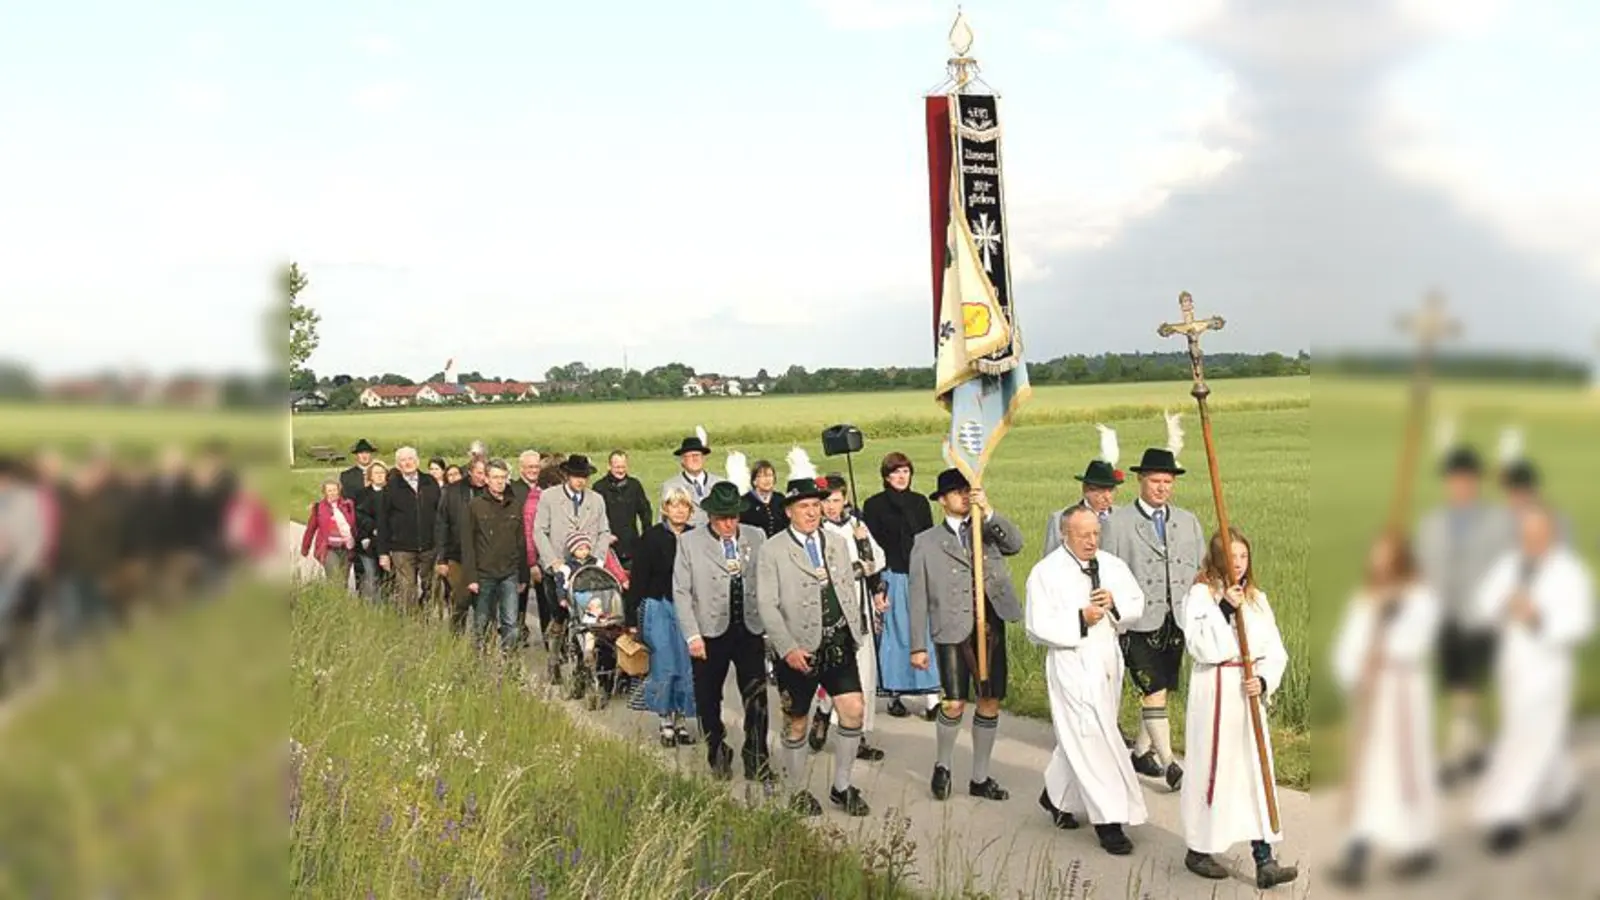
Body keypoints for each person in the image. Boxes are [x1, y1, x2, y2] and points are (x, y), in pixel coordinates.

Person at [1468, 504, 1593, 855]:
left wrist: (1539, 617)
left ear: (1552, 534)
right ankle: (1559, 794)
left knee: (1525, 738)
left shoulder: (1571, 573)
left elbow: (1581, 624)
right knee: (1536, 734)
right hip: (1512, 668)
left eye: (1539, 534)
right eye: (1526, 535)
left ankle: (1504, 816)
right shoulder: (1509, 566)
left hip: (1548, 670)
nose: (1532, 541)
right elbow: (1482, 604)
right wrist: (1503, 604)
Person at [1177, 527, 1297, 889]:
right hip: (1216, 691)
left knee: (1255, 771)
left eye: (1244, 556)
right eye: (1232, 557)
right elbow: (1200, 646)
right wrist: (1225, 608)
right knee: (1214, 769)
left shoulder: (1257, 599)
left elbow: (1274, 649)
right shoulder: (1200, 595)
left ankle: (1265, 859)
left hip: (1248, 694)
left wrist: (1263, 680)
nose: (1239, 564)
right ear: (1217, 559)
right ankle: (1199, 848)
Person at [1028, 505, 1147, 855]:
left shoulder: (1112, 565)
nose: (1091, 541)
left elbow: (1136, 603)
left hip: (1107, 658)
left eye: (1096, 533)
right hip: (1072, 660)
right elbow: (1036, 625)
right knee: (1092, 736)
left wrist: (1114, 602)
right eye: (1083, 535)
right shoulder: (1046, 573)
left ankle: (1056, 795)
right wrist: (1080, 618)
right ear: (1065, 534)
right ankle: (1109, 821)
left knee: (1086, 732)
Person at [757, 460, 872, 817]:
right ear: (789, 511)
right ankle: (796, 789)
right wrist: (787, 648)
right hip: (798, 649)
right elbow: (767, 604)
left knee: (853, 710)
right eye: (804, 506)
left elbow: (847, 586)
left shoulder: (835, 542)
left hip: (837, 642)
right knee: (797, 722)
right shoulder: (773, 550)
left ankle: (842, 786)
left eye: (816, 505)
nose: (811, 512)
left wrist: (854, 629)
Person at [1328, 533, 1441, 888]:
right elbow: (1346, 649)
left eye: (1387, 561)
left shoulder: (1419, 598)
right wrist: (1356, 671)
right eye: (1375, 561)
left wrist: (1393, 623)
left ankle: (1416, 845)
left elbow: (1417, 640)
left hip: (1403, 695)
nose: (1379, 568)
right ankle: (1356, 856)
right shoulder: (1364, 602)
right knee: (1368, 773)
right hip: (1371, 696)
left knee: (1406, 771)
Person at [907, 467, 1024, 802]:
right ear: (942, 500)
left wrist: (988, 510)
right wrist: (917, 646)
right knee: (955, 701)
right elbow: (918, 597)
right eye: (956, 492)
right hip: (951, 628)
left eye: (967, 490)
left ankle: (980, 776)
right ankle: (943, 764)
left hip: (990, 624)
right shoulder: (926, 542)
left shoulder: (986, 529)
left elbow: (1016, 544)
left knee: (989, 699)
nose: (963, 496)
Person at [1101, 415, 1204, 789]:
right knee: (1153, 689)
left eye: (1167, 482)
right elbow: (1105, 571)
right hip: (1136, 621)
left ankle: (1141, 752)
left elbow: (1200, 570)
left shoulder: (1188, 521)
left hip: (1176, 618)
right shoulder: (1117, 522)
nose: (1162, 488)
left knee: (1162, 688)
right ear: (1140, 480)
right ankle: (1171, 764)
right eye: (1155, 481)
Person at [1416, 443, 1513, 786]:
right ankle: (1474, 749)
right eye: (1455, 480)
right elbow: (1424, 568)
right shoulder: (1432, 524)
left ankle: (1458, 752)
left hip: (1482, 618)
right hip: (1445, 616)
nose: (1460, 486)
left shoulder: (1497, 522)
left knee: (1468, 685)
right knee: (1456, 686)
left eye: (1466, 479)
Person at [674, 481, 772, 783]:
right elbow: (681, 592)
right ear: (710, 516)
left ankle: (757, 756)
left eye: (734, 517)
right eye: (722, 518)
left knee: (757, 697)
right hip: (709, 632)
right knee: (708, 698)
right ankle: (717, 750)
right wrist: (692, 635)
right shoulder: (689, 542)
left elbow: (768, 582)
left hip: (749, 629)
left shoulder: (756, 536)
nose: (729, 524)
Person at [809, 475, 889, 761]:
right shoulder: (817, 532)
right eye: (826, 501)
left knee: (863, 673)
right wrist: (855, 567)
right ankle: (823, 711)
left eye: (836, 500)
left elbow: (877, 561)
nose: (831, 507)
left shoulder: (856, 525)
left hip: (860, 607)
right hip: (832, 609)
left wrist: (864, 542)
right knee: (834, 668)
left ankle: (858, 735)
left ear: (845, 500)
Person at [861, 451, 941, 720]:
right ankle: (895, 694)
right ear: (886, 476)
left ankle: (932, 697)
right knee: (895, 635)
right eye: (895, 472)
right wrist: (877, 586)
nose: (901, 477)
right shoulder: (874, 505)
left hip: (919, 576)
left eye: (905, 471)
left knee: (924, 633)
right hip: (892, 576)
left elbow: (928, 540)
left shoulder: (920, 503)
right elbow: (871, 550)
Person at [625, 488, 698, 746]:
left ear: (690, 510)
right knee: (664, 663)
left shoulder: (696, 537)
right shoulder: (652, 537)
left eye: (684, 506)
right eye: (674, 505)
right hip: (658, 605)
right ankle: (665, 720)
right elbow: (638, 578)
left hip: (689, 608)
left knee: (687, 665)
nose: (679, 510)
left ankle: (682, 720)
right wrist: (631, 619)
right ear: (665, 509)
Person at [460, 459, 529, 654]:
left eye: (503, 477)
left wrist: (523, 576)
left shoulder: (515, 505)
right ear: (487, 479)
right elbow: (468, 544)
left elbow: (521, 542)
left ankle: (508, 661)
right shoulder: (475, 506)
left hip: (509, 572)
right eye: (495, 477)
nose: (499, 481)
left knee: (511, 623)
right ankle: (479, 660)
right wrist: (471, 577)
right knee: (482, 621)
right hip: (484, 573)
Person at [376, 446, 442, 612]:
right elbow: (382, 521)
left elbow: (441, 513)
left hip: (429, 546)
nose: (407, 463)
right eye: (403, 460)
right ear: (398, 465)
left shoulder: (430, 482)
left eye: (410, 459)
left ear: (417, 461)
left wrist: (442, 543)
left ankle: (426, 617)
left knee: (432, 586)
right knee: (407, 589)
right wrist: (383, 553)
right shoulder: (391, 487)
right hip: (402, 548)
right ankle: (411, 621)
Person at [1043, 424, 1124, 557]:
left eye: (1111, 491)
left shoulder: (1124, 518)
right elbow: (1050, 561)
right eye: (1100, 491)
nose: (1107, 497)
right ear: (1086, 489)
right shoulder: (1059, 519)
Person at [434, 456, 488, 631]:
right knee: (461, 601)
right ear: (470, 472)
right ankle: (456, 639)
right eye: (479, 473)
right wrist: (442, 558)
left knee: (485, 605)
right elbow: (442, 524)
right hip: (457, 555)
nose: (483, 477)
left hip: (485, 557)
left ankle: (483, 641)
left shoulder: (493, 490)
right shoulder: (452, 491)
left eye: (486, 473)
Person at [593, 450, 653, 570]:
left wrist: (646, 535)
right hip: (609, 546)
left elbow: (645, 512)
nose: (621, 470)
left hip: (631, 544)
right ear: (609, 466)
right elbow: (594, 517)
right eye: (617, 467)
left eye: (623, 467)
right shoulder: (599, 487)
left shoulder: (634, 485)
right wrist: (605, 536)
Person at [299, 478, 357, 587]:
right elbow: (310, 530)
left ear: (339, 490)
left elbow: (354, 526)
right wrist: (305, 548)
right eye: (329, 490)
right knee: (335, 579)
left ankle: (340, 598)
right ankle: (335, 595)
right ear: (324, 492)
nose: (332, 493)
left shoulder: (348, 505)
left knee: (344, 581)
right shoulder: (318, 508)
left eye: (335, 490)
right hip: (328, 549)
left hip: (346, 548)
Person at [660, 429, 725, 527]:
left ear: (703, 458)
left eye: (697, 455)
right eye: (690, 456)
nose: (695, 459)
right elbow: (663, 521)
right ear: (682, 461)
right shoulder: (671, 486)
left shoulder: (719, 483)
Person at [739, 458, 789, 536]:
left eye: (769, 475)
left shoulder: (780, 499)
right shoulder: (745, 502)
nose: (767, 480)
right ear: (754, 481)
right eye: (762, 476)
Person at [339, 438, 377, 503]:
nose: (364, 456)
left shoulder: (380, 473)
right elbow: (347, 498)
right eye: (361, 453)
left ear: (371, 455)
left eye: (367, 452)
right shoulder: (347, 476)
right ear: (356, 455)